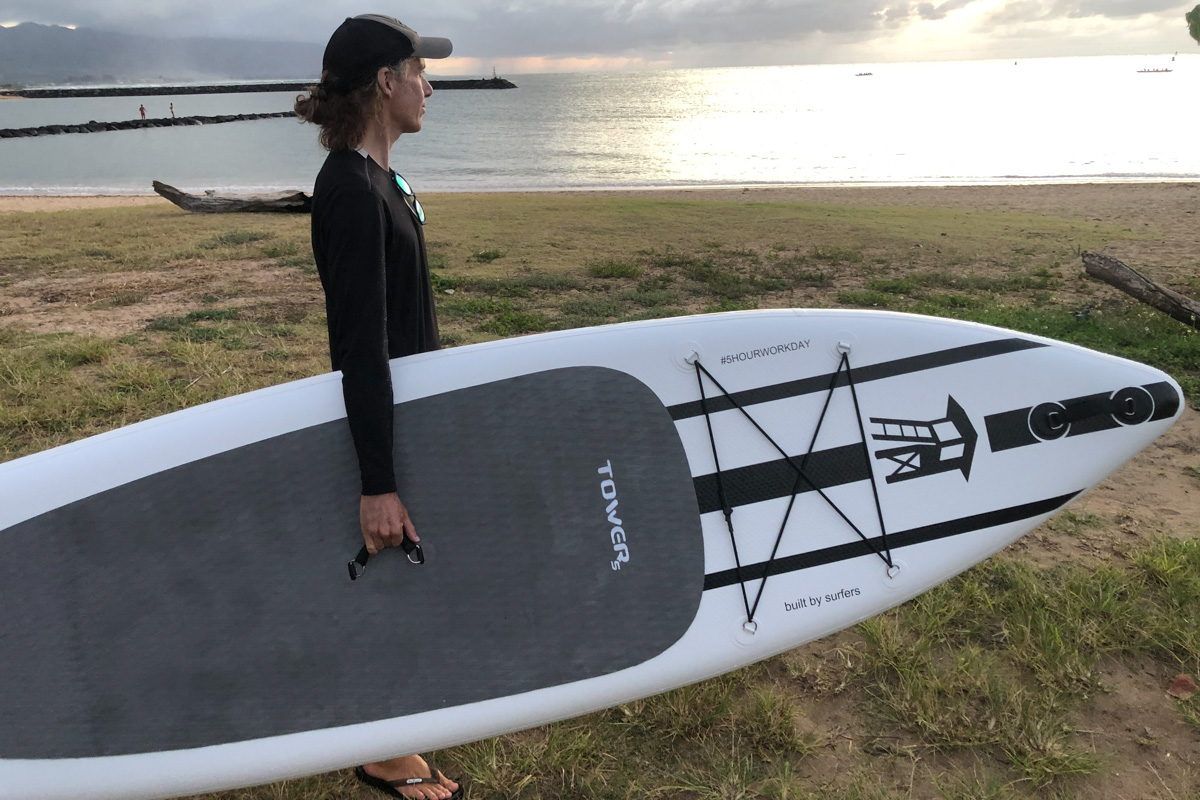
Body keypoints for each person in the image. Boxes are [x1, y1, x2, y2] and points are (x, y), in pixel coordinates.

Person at [294, 14, 460, 800]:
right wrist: (379, 482)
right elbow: (359, 347)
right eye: (419, 71)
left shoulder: (383, 181)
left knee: (415, 583)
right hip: (385, 423)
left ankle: (397, 737)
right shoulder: (352, 194)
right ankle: (383, 752)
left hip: (412, 412)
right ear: (384, 84)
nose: (430, 86)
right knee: (393, 584)